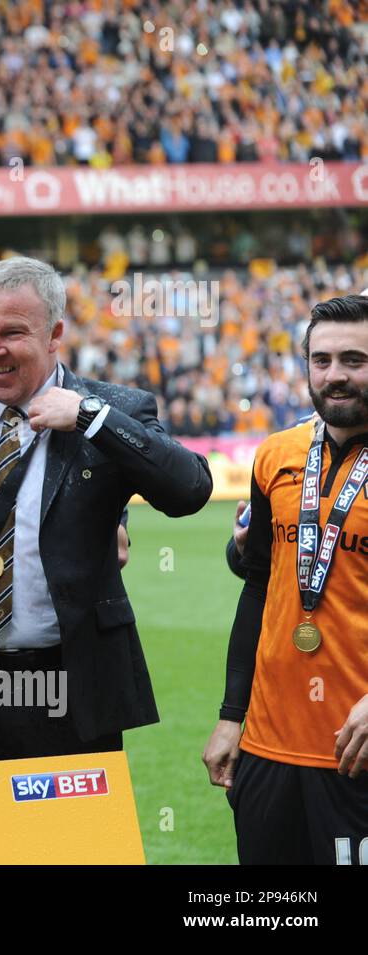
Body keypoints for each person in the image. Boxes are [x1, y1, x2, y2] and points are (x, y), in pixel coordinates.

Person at [0, 255, 212, 765]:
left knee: (67, 847)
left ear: (55, 334)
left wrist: (90, 418)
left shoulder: (105, 408)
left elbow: (189, 489)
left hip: (63, 684)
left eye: (13, 333)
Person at [203, 294, 368, 864]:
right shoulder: (276, 455)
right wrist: (230, 718)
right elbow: (258, 586)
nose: (335, 375)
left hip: (356, 749)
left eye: (354, 359)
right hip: (267, 748)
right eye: (321, 360)